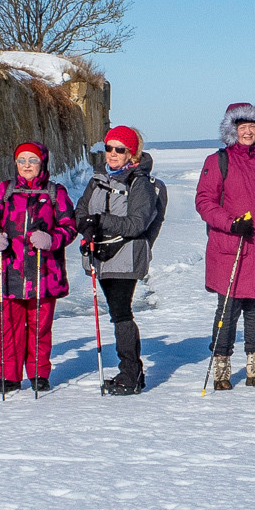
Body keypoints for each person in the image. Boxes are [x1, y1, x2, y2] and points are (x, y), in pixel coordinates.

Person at [195, 102, 255, 390]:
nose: (248, 132)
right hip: (231, 247)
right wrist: (231, 223)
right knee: (227, 310)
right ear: (232, 130)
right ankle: (221, 369)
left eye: (253, 126)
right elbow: (204, 201)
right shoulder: (218, 160)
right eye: (243, 127)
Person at [0, 142, 78, 393]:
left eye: (32, 160)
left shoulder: (55, 192)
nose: (26, 165)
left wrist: (51, 239)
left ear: (42, 163)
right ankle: (9, 376)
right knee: (9, 327)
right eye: (21, 160)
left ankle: (38, 374)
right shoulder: (6, 190)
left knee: (40, 328)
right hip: (10, 271)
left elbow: (69, 226)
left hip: (44, 272)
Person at [77, 125, 162, 395]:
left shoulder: (140, 183)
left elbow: (137, 223)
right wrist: (86, 226)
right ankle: (131, 372)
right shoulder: (98, 179)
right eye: (109, 148)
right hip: (101, 256)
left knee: (121, 312)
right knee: (117, 313)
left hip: (126, 256)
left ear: (131, 154)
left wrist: (101, 221)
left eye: (119, 149)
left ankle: (130, 374)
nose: (112, 154)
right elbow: (81, 210)